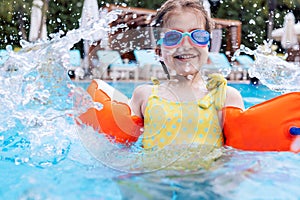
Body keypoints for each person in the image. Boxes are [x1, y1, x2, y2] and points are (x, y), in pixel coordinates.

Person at [130, 0, 244, 150]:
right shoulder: (144, 96)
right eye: (172, 37)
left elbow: (239, 155)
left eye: (198, 35)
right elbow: (122, 144)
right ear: (158, 50)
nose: (186, 45)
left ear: (208, 46)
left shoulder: (225, 97)